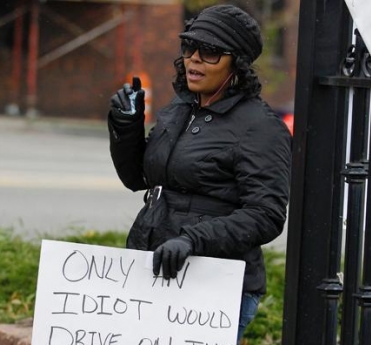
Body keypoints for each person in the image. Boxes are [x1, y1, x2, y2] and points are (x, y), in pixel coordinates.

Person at [107, 4, 291, 343]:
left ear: (236, 62)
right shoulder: (180, 109)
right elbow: (139, 180)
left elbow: (266, 215)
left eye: (209, 53)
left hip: (213, 287)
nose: (194, 58)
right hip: (155, 272)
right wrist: (125, 127)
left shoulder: (261, 128)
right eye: (189, 48)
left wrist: (193, 239)